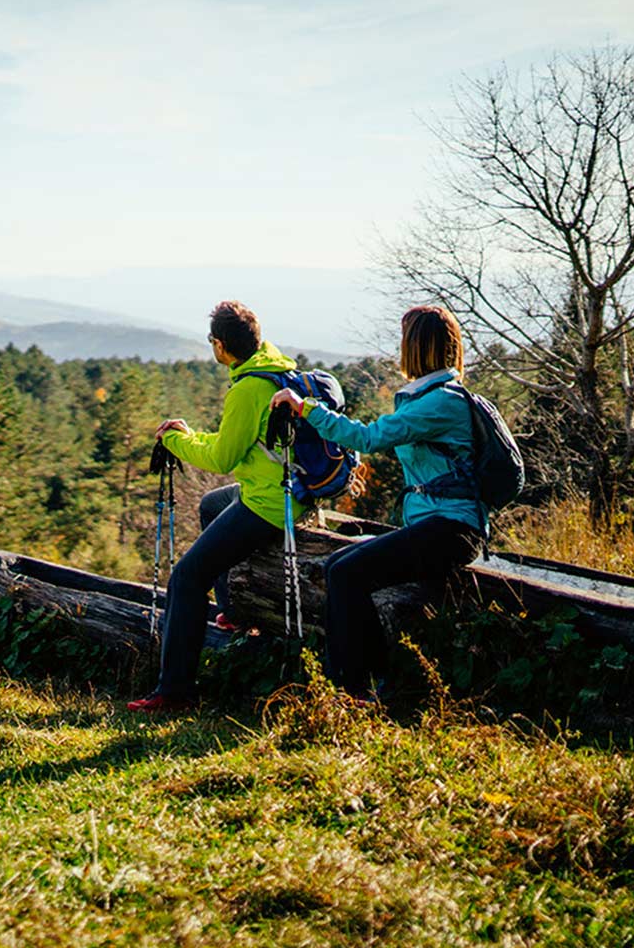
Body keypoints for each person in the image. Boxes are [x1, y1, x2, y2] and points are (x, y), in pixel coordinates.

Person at [265, 304, 486, 696]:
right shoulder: (431, 396)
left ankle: (357, 690)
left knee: (347, 574)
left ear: (417, 347)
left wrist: (305, 408)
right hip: (437, 526)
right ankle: (354, 681)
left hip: (451, 529)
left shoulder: (441, 403)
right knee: (337, 566)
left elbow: (368, 439)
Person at [127, 301, 303, 713]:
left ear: (221, 346)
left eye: (212, 342)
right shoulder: (272, 369)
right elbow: (231, 443)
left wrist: (174, 442)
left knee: (186, 578)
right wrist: (191, 435)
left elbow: (222, 461)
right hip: (286, 491)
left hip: (269, 503)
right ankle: (231, 611)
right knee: (211, 504)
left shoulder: (247, 389)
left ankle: (174, 692)